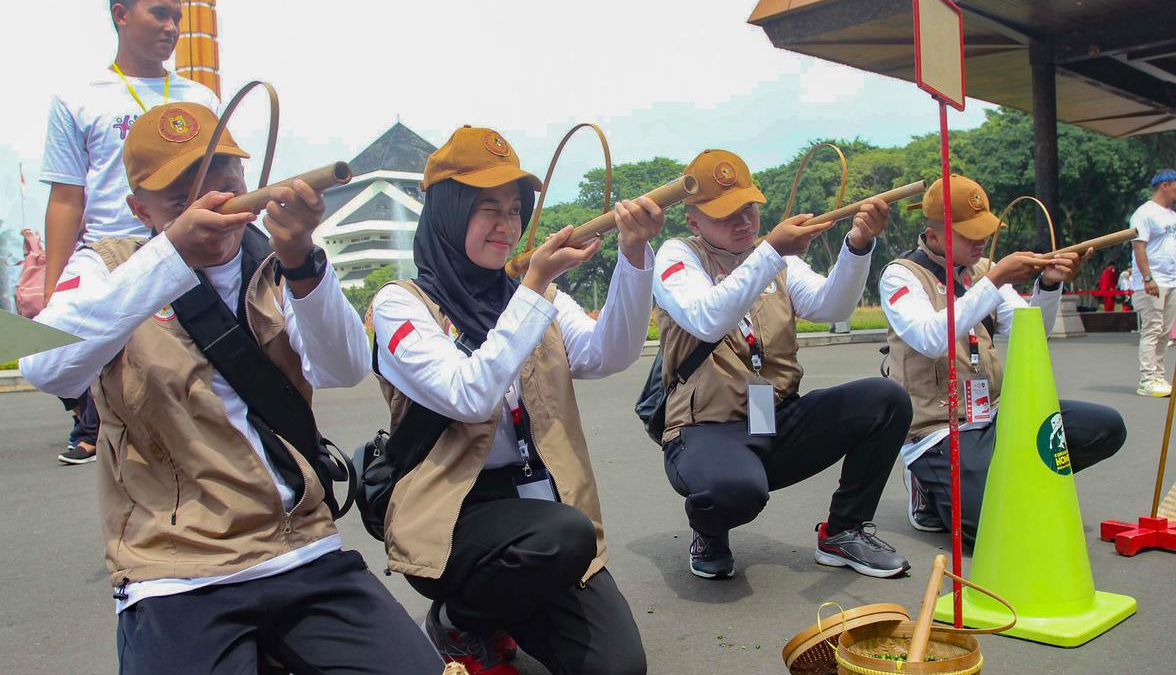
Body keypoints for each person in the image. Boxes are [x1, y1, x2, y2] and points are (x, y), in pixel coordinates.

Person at [20, 103, 442, 674]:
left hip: (303, 547)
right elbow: (44, 365)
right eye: (181, 199)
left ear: (249, 184)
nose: (216, 206)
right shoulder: (107, 266)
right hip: (175, 569)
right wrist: (171, 255)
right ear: (138, 208)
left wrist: (301, 260)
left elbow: (342, 368)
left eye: (226, 185)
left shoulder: (276, 261)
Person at [371, 126, 659, 675]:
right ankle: (459, 619)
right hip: (455, 512)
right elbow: (469, 396)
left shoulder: (536, 296)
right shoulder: (400, 306)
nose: (506, 226)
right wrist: (534, 286)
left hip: (543, 518)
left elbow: (609, 353)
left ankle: (505, 610)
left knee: (619, 668)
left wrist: (635, 253)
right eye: (487, 209)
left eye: (513, 210)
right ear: (448, 214)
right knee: (562, 534)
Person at [652, 149, 911, 581]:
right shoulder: (678, 256)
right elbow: (706, 316)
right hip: (706, 428)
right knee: (732, 491)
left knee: (886, 400)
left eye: (749, 209)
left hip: (775, 417)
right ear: (693, 220)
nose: (743, 222)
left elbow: (833, 304)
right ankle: (709, 528)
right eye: (725, 213)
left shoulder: (778, 259)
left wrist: (857, 246)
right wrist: (771, 250)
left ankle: (843, 531)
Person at [39, 0, 220, 465]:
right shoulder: (79, 97)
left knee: (196, 379)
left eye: (178, 18)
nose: (171, 28)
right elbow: (66, 197)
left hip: (188, 254)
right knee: (121, 381)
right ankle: (96, 429)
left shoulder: (200, 99)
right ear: (121, 15)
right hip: (115, 257)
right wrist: (56, 286)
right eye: (158, 13)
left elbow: (219, 181)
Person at [881, 175, 1126, 542]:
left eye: (983, 230)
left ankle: (1008, 485)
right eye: (968, 233)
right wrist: (994, 281)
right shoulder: (901, 275)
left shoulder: (984, 271)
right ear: (933, 236)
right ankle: (927, 486)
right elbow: (931, 339)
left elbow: (1033, 332)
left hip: (995, 415)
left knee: (1104, 428)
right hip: (937, 428)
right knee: (990, 530)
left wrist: (1049, 285)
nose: (980, 240)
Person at [1129, 169, 1176, 396]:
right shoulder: (1144, 213)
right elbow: (1139, 246)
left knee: (1165, 332)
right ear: (1165, 186)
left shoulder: (1174, 217)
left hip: (1171, 281)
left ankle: (1159, 376)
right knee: (1152, 329)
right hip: (1151, 282)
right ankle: (1147, 378)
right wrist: (1147, 278)